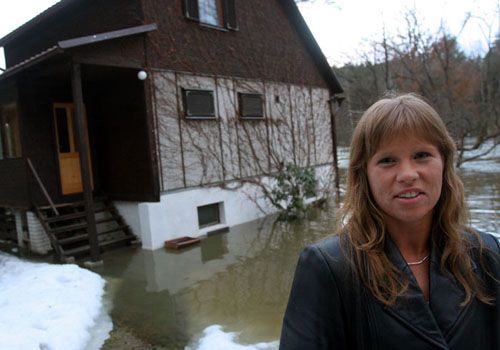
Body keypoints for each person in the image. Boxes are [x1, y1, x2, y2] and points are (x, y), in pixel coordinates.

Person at [279, 93, 499, 349]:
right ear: (365, 175)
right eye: (387, 160)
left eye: (421, 155)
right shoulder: (328, 268)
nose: (407, 174)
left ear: (444, 163)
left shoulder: (486, 255)